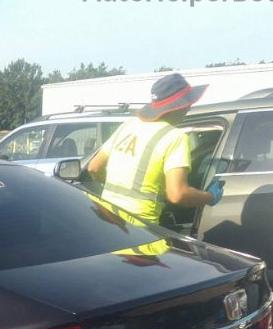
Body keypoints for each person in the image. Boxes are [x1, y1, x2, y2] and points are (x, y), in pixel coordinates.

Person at [86, 73, 223, 224]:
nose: (188, 109)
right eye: (188, 104)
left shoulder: (127, 126)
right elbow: (177, 194)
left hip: (109, 219)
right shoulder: (175, 137)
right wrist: (210, 196)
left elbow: (93, 167)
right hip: (141, 226)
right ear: (178, 106)